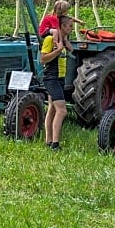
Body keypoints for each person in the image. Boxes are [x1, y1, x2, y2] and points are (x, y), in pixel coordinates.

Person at [43, 15, 75, 151]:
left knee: (52, 108)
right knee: (62, 111)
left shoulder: (63, 39)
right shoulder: (50, 39)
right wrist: (58, 50)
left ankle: (48, 141)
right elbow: (43, 59)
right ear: (61, 26)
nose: (72, 29)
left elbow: (71, 52)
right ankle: (55, 144)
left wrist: (67, 45)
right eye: (70, 26)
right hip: (52, 78)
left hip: (60, 77)